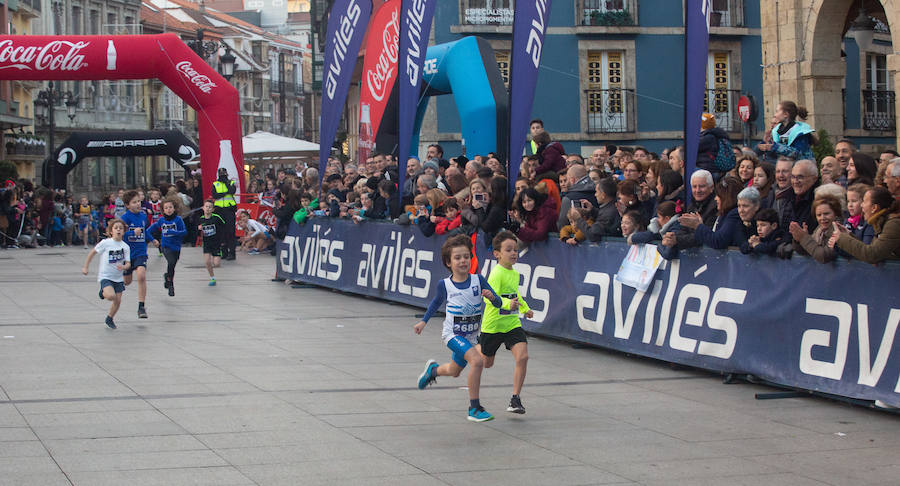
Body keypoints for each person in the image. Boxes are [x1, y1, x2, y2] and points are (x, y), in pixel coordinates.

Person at [413, 235, 507, 422]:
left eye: (466, 256)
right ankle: (474, 408)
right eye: (457, 258)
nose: (463, 260)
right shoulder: (445, 285)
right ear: (448, 262)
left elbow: (498, 303)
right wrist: (424, 321)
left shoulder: (478, 280)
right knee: (477, 361)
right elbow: (435, 303)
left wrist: (492, 297)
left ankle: (433, 371)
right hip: (453, 335)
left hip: (472, 337)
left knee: (454, 371)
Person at [480, 231, 533, 414]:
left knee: (523, 356)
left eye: (515, 250)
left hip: (511, 323)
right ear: (497, 254)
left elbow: (514, 294)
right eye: (508, 250)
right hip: (493, 325)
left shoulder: (514, 273)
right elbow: (489, 298)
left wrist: (525, 308)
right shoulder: (496, 274)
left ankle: (515, 399)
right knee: (486, 363)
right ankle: (471, 351)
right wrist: (505, 303)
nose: (513, 253)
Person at [829, 186, 900, 263]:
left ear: (874, 208)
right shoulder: (880, 222)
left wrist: (841, 238)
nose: (861, 205)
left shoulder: (893, 224)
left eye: (864, 202)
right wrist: (849, 236)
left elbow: (872, 255)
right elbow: (872, 250)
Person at [82, 218, 130, 329]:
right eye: (116, 228)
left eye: (121, 228)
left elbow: (128, 263)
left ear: (124, 231)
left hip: (118, 278)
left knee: (117, 301)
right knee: (111, 296)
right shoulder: (106, 243)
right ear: (111, 231)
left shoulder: (125, 247)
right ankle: (103, 292)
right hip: (106, 276)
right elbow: (92, 253)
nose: (118, 230)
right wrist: (86, 267)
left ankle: (109, 318)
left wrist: (123, 266)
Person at [679, 177, 750, 249]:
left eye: (718, 196)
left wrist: (698, 226)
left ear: (726, 197)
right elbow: (714, 237)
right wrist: (701, 225)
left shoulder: (734, 214)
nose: (715, 198)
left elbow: (718, 241)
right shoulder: (724, 214)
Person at [147, 198, 187, 297]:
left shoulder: (178, 220)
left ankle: (167, 277)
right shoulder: (161, 220)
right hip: (166, 246)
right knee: (171, 262)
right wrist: (153, 240)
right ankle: (171, 285)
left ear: (174, 208)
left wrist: (174, 233)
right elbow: (148, 231)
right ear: (163, 210)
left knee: (172, 266)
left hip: (176, 247)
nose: (168, 209)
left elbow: (184, 232)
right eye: (166, 208)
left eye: (170, 207)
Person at [121, 190, 151, 318]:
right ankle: (110, 286)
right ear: (127, 205)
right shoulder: (125, 218)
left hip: (141, 252)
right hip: (127, 255)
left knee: (141, 275)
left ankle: (141, 306)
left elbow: (145, 231)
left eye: (139, 201)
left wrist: (153, 239)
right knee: (126, 282)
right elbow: (120, 235)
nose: (138, 204)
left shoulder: (143, 216)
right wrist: (133, 233)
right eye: (134, 202)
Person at [789, 195, 841, 263]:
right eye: (819, 215)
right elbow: (809, 251)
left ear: (835, 213)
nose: (822, 218)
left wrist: (804, 238)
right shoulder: (818, 230)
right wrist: (798, 241)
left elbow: (823, 256)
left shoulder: (839, 230)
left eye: (826, 214)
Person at [212, 167, 238, 260]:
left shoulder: (230, 182)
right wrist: (225, 193)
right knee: (221, 232)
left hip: (229, 209)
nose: (223, 176)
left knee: (230, 232)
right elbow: (215, 195)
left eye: (224, 174)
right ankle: (224, 252)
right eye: (221, 174)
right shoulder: (215, 184)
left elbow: (232, 191)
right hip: (219, 210)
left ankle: (232, 252)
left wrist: (226, 184)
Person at [199, 199, 225, 286]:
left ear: (213, 209)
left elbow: (224, 227)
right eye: (206, 206)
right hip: (206, 243)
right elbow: (196, 230)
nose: (208, 209)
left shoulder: (216, 218)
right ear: (203, 208)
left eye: (210, 207)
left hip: (216, 243)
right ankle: (212, 278)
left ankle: (217, 259)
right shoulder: (201, 219)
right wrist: (198, 229)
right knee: (207, 261)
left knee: (216, 263)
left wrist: (223, 240)